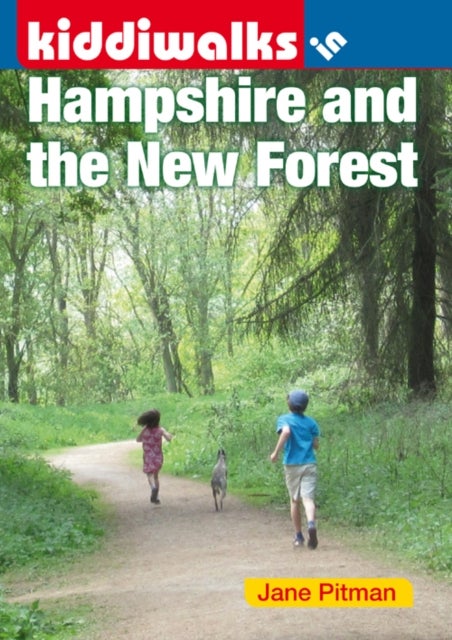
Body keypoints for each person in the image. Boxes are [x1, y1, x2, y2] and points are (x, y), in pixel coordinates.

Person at [270, 389, 320, 549]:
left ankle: (299, 536)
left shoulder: (284, 419)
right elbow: (316, 445)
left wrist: (276, 452)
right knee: (308, 499)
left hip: (292, 465)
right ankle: (311, 524)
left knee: (294, 500)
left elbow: (285, 432)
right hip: (309, 463)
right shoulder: (311, 423)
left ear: (289, 404)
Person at [136, 408, 173, 505]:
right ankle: (156, 497)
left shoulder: (145, 430)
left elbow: (138, 439)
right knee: (156, 476)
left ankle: (153, 487)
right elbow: (168, 438)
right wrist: (169, 435)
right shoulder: (160, 430)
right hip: (158, 457)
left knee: (149, 474)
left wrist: (145, 435)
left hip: (148, 456)